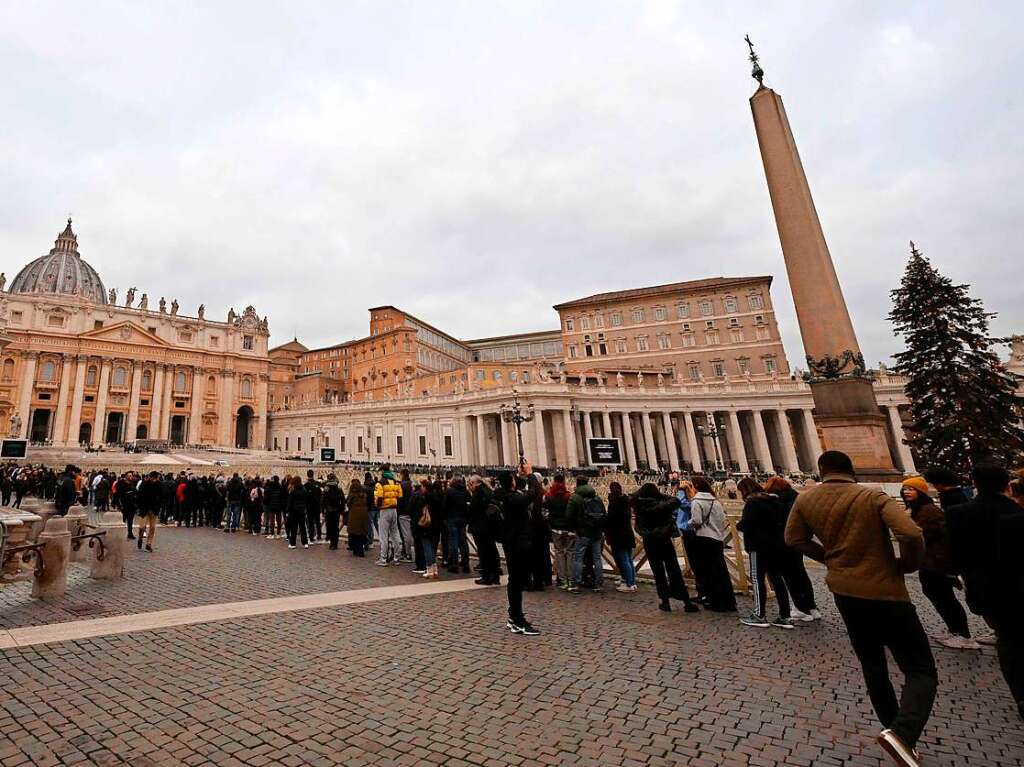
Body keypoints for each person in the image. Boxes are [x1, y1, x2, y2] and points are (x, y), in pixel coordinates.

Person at [786, 450, 935, 767]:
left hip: (844, 591)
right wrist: (907, 564)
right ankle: (903, 734)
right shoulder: (871, 496)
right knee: (919, 668)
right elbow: (910, 532)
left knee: (873, 666)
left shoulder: (806, 499)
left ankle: (896, 736)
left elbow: (794, 538)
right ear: (851, 469)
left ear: (821, 470)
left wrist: (828, 557)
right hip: (885, 590)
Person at [946, 464, 1024, 721]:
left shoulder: (958, 513)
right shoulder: (1015, 511)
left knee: (1008, 640)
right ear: (1006, 485)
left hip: (986, 587)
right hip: (1012, 584)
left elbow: (956, 552)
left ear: (975, 483)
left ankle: (1021, 694)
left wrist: (955, 573)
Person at [900, 476, 978, 649]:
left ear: (920, 492)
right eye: (905, 489)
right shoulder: (917, 509)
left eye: (911, 489)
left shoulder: (928, 510)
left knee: (944, 598)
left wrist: (905, 525)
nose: (906, 492)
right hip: (928, 561)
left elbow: (921, 535)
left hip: (937, 562)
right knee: (938, 596)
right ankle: (954, 630)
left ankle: (964, 635)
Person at [736, 477, 792, 629]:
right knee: (777, 578)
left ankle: (759, 615)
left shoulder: (752, 503)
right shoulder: (773, 501)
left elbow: (746, 523)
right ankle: (785, 616)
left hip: (758, 545)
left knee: (757, 578)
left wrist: (739, 525)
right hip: (776, 544)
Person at [634, 482, 699, 612]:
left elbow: (637, 527)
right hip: (664, 540)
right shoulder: (662, 505)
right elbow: (675, 501)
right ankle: (686, 601)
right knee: (674, 569)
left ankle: (665, 601)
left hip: (650, 542)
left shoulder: (640, 507)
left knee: (658, 572)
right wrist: (659, 495)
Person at [767, 475, 820, 621]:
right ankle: (812, 607)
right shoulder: (797, 499)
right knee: (800, 573)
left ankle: (801, 609)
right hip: (797, 542)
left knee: (790, 577)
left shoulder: (775, 501)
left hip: (782, 542)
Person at [496, 470, 540, 635]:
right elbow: (533, 492)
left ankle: (514, 615)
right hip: (517, 544)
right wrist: (530, 474)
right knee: (516, 581)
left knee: (516, 580)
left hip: (513, 542)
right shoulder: (513, 499)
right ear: (511, 482)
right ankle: (517, 621)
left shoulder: (506, 496)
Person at [689, 477, 736, 612]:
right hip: (717, 539)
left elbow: (696, 520)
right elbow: (722, 518)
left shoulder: (697, 501)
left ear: (696, 487)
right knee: (721, 571)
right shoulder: (715, 501)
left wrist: (688, 524)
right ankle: (728, 601)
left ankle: (714, 601)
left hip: (703, 538)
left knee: (708, 571)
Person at [567, 476, 606, 593]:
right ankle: (598, 583)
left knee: (578, 558)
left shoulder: (575, 498)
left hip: (583, 532)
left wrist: (574, 527)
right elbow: (603, 513)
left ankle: (576, 584)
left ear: (577, 484)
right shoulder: (597, 497)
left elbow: (569, 515)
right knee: (597, 558)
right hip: (597, 532)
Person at [468, 474, 501, 585]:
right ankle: (495, 576)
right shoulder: (488, 491)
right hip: (490, 526)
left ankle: (486, 576)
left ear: (478, 483)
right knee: (492, 550)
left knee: (484, 552)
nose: (470, 486)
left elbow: (474, 510)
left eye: (471, 483)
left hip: (481, 527)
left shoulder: (478, 493)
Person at [543, 474, 574, 590]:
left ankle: (562, 579)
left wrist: (550, 522)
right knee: (570, 552)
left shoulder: (548, 495)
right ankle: (571, 579)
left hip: (556, 529)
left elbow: (544, 512)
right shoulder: (569, 496)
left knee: (559, 553)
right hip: (569, 529)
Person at [606, 481, 637, 593]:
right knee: (628, 558)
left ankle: (629, 584)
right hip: (627, 532)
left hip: (618, 534)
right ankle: (631, 581)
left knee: (623, 559)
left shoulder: (615, 503)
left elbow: (611, 519)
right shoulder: (626, 501)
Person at [374, 464, 405, 566]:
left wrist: (378, 506)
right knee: (395, 535)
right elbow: (400, 496)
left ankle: (383, 558)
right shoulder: (396, 482)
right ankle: (396, 557)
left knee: (384, 536)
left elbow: (379, 497)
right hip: (394, 510)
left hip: (384, 510)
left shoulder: (380, 483)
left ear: (382, 471)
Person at [443, 476, 471, 574]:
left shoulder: (449, 491)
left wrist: (445, 517)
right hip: (463, 519)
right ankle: (466, 563)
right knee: (463, 541)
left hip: (452, 518)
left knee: (453, 541)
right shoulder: (466, 492)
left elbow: (445, 505)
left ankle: (454, 564)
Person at [136, 471, 161, 552]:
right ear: (151, 477)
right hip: (144, 509)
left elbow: (162, 496)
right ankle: (140, 538)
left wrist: (159, 505)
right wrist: (140, 506)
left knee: (153, 528)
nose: (156, 479)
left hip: (154, 510)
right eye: (156, 478)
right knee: (142, 527)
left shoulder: (159, 485)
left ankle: (148, 544)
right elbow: (139, 496)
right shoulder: (144, 484)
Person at [346, 478, 369, 557]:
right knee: (361, 533)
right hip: (364, 514)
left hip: (354, 515)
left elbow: (348, 503)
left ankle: (357, 550)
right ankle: (363, 547)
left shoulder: (352, 494)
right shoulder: (364, 494)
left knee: (354, 533)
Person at [284, 475, 309, 549]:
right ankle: (305, 543)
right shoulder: (304, 489)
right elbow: (306, 501)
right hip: (302, 510)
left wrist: (287, 510)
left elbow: (290, 502)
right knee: (302, 527)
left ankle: (293, 543)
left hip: (294, 511)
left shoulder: (292, 490)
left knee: (293, 528)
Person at [322, 474, 346, 550]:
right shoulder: (339, 488)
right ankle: (335, 543)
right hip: (336, 510)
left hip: (329, 510)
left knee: (329, 526)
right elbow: (342, 500)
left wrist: (322, 510)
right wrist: (342, 510)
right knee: (335, 527)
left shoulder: (326, 488)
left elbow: (323, 501)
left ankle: (331, 542)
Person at [397, 468, 414, 561]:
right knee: (407, 532)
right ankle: (405, 552)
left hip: (403, 511)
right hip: (409, 511)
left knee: (405, 534)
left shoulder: (402, 486)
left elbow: (399, 499)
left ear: (402, 475)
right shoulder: (410, 484)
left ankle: (407, 554)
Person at [304, 470, 323, 543]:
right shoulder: (317, 484)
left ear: (307, 475)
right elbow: (321, 495)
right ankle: (319, 536)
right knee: (317, 522)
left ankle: (311, 537)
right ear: (313, 474)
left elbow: (304, 497)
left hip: (309, 507)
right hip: (317, 506)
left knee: (310, 522)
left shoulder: (305, 485)